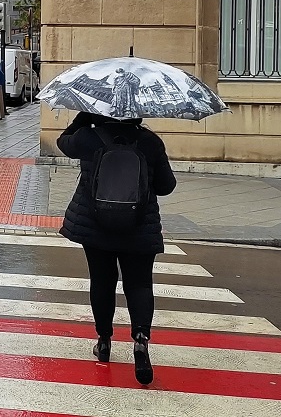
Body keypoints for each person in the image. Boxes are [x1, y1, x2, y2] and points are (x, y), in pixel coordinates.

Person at [58, 111, 176, 386]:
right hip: (139, 227)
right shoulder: (150, 142)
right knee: (140, 285)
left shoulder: (89, 137)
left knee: (102, 281)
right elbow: (166, 186)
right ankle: (141, 341)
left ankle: (104, 341)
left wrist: (81, 120)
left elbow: (63, 142)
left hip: (96, 226)